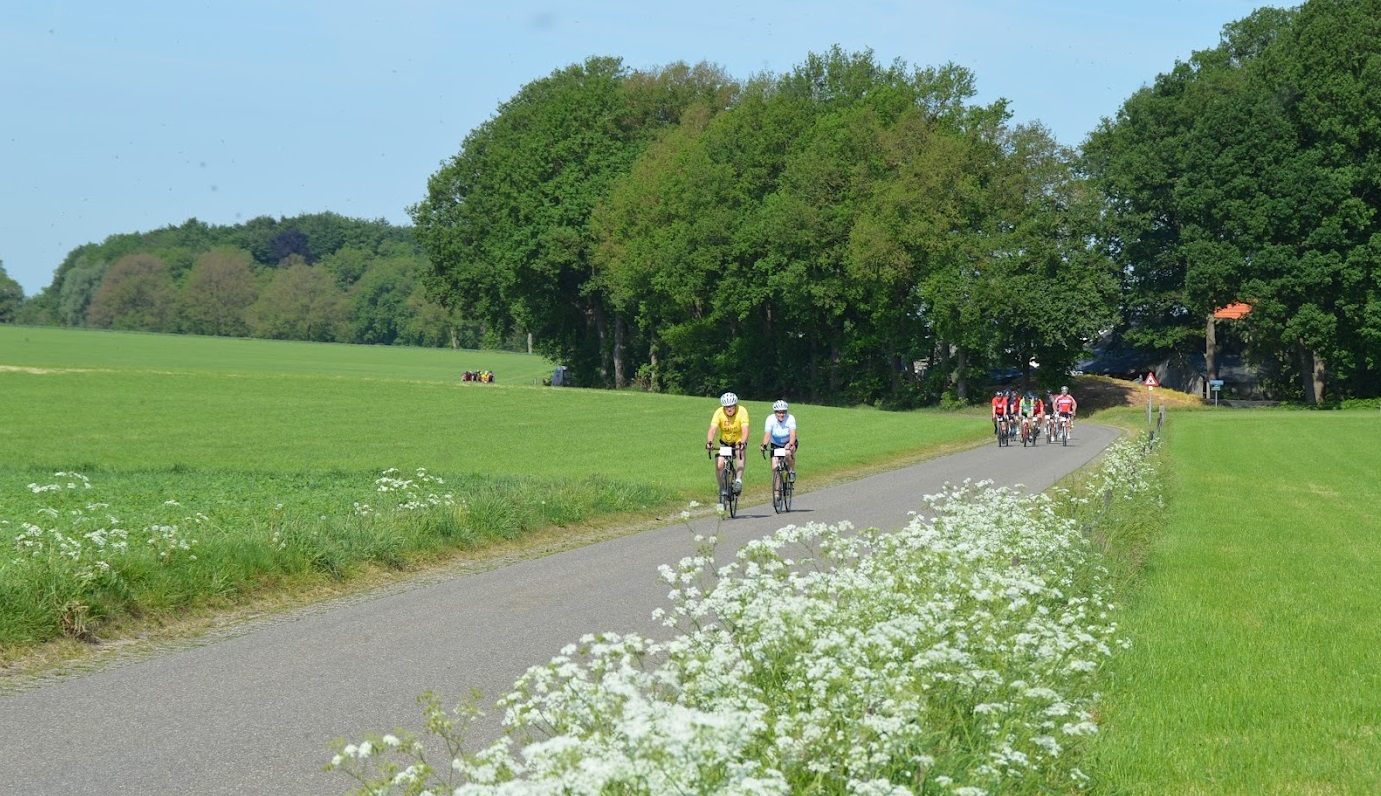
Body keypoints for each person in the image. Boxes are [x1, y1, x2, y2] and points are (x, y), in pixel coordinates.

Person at [706, 392, 750, 494]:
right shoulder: (719, 413)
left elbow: (745, 430)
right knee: (719, 464)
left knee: (740, 452)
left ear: (736, 405)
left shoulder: (742, 411)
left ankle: (738, 480)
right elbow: (712, 429)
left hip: (738, 441)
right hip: (725, 442)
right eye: (726, 407)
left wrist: (742, 443)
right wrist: (710, 442)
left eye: (731, 406)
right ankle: (722, 487)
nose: (729, 409)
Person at [760, 399, 798, 482]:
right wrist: (764, 445)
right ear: (775, 412)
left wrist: (790, 444)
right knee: (775, 468)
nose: (781, 414)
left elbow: (793, 434)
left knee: (787, 453)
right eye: (779, 412)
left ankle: (791, 471)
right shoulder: (770, 419)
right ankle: (777, 493)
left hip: (788, 442)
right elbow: (767, 435)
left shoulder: (790, 418)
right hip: (776, 444)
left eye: (784, 412)